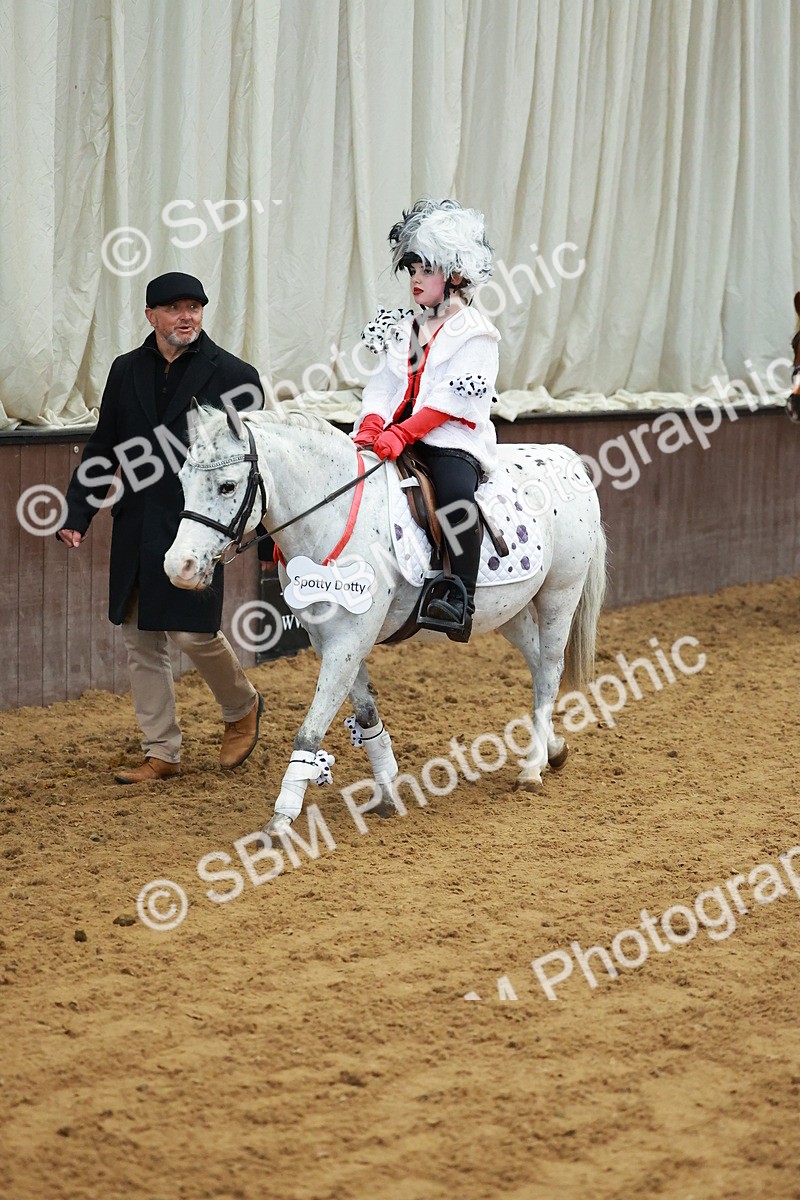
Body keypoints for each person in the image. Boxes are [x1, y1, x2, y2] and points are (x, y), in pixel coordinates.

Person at [58, 272, 264, 783]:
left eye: (194, 306)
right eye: (174, 308)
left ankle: (241, 708)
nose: (187, 316)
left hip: (197, 524)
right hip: (136, 520)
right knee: (138, 638)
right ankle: (162, 752)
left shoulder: (235, 374)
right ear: (151, 316)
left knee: (193, 633)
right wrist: (77, 511)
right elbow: (105, 444)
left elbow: (253, 458)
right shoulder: (125, 369)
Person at [352, 198, 500, 641]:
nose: (415, 280)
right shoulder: (404, 328)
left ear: (454, 275)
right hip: (395, 436)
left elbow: (448, 402)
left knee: (455, 496)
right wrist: (371, 424)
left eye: (425, 270)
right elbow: (383, 385)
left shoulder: (477, 332)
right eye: (412, 270)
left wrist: (404, 432)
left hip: (451, 440)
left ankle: (460, 596)